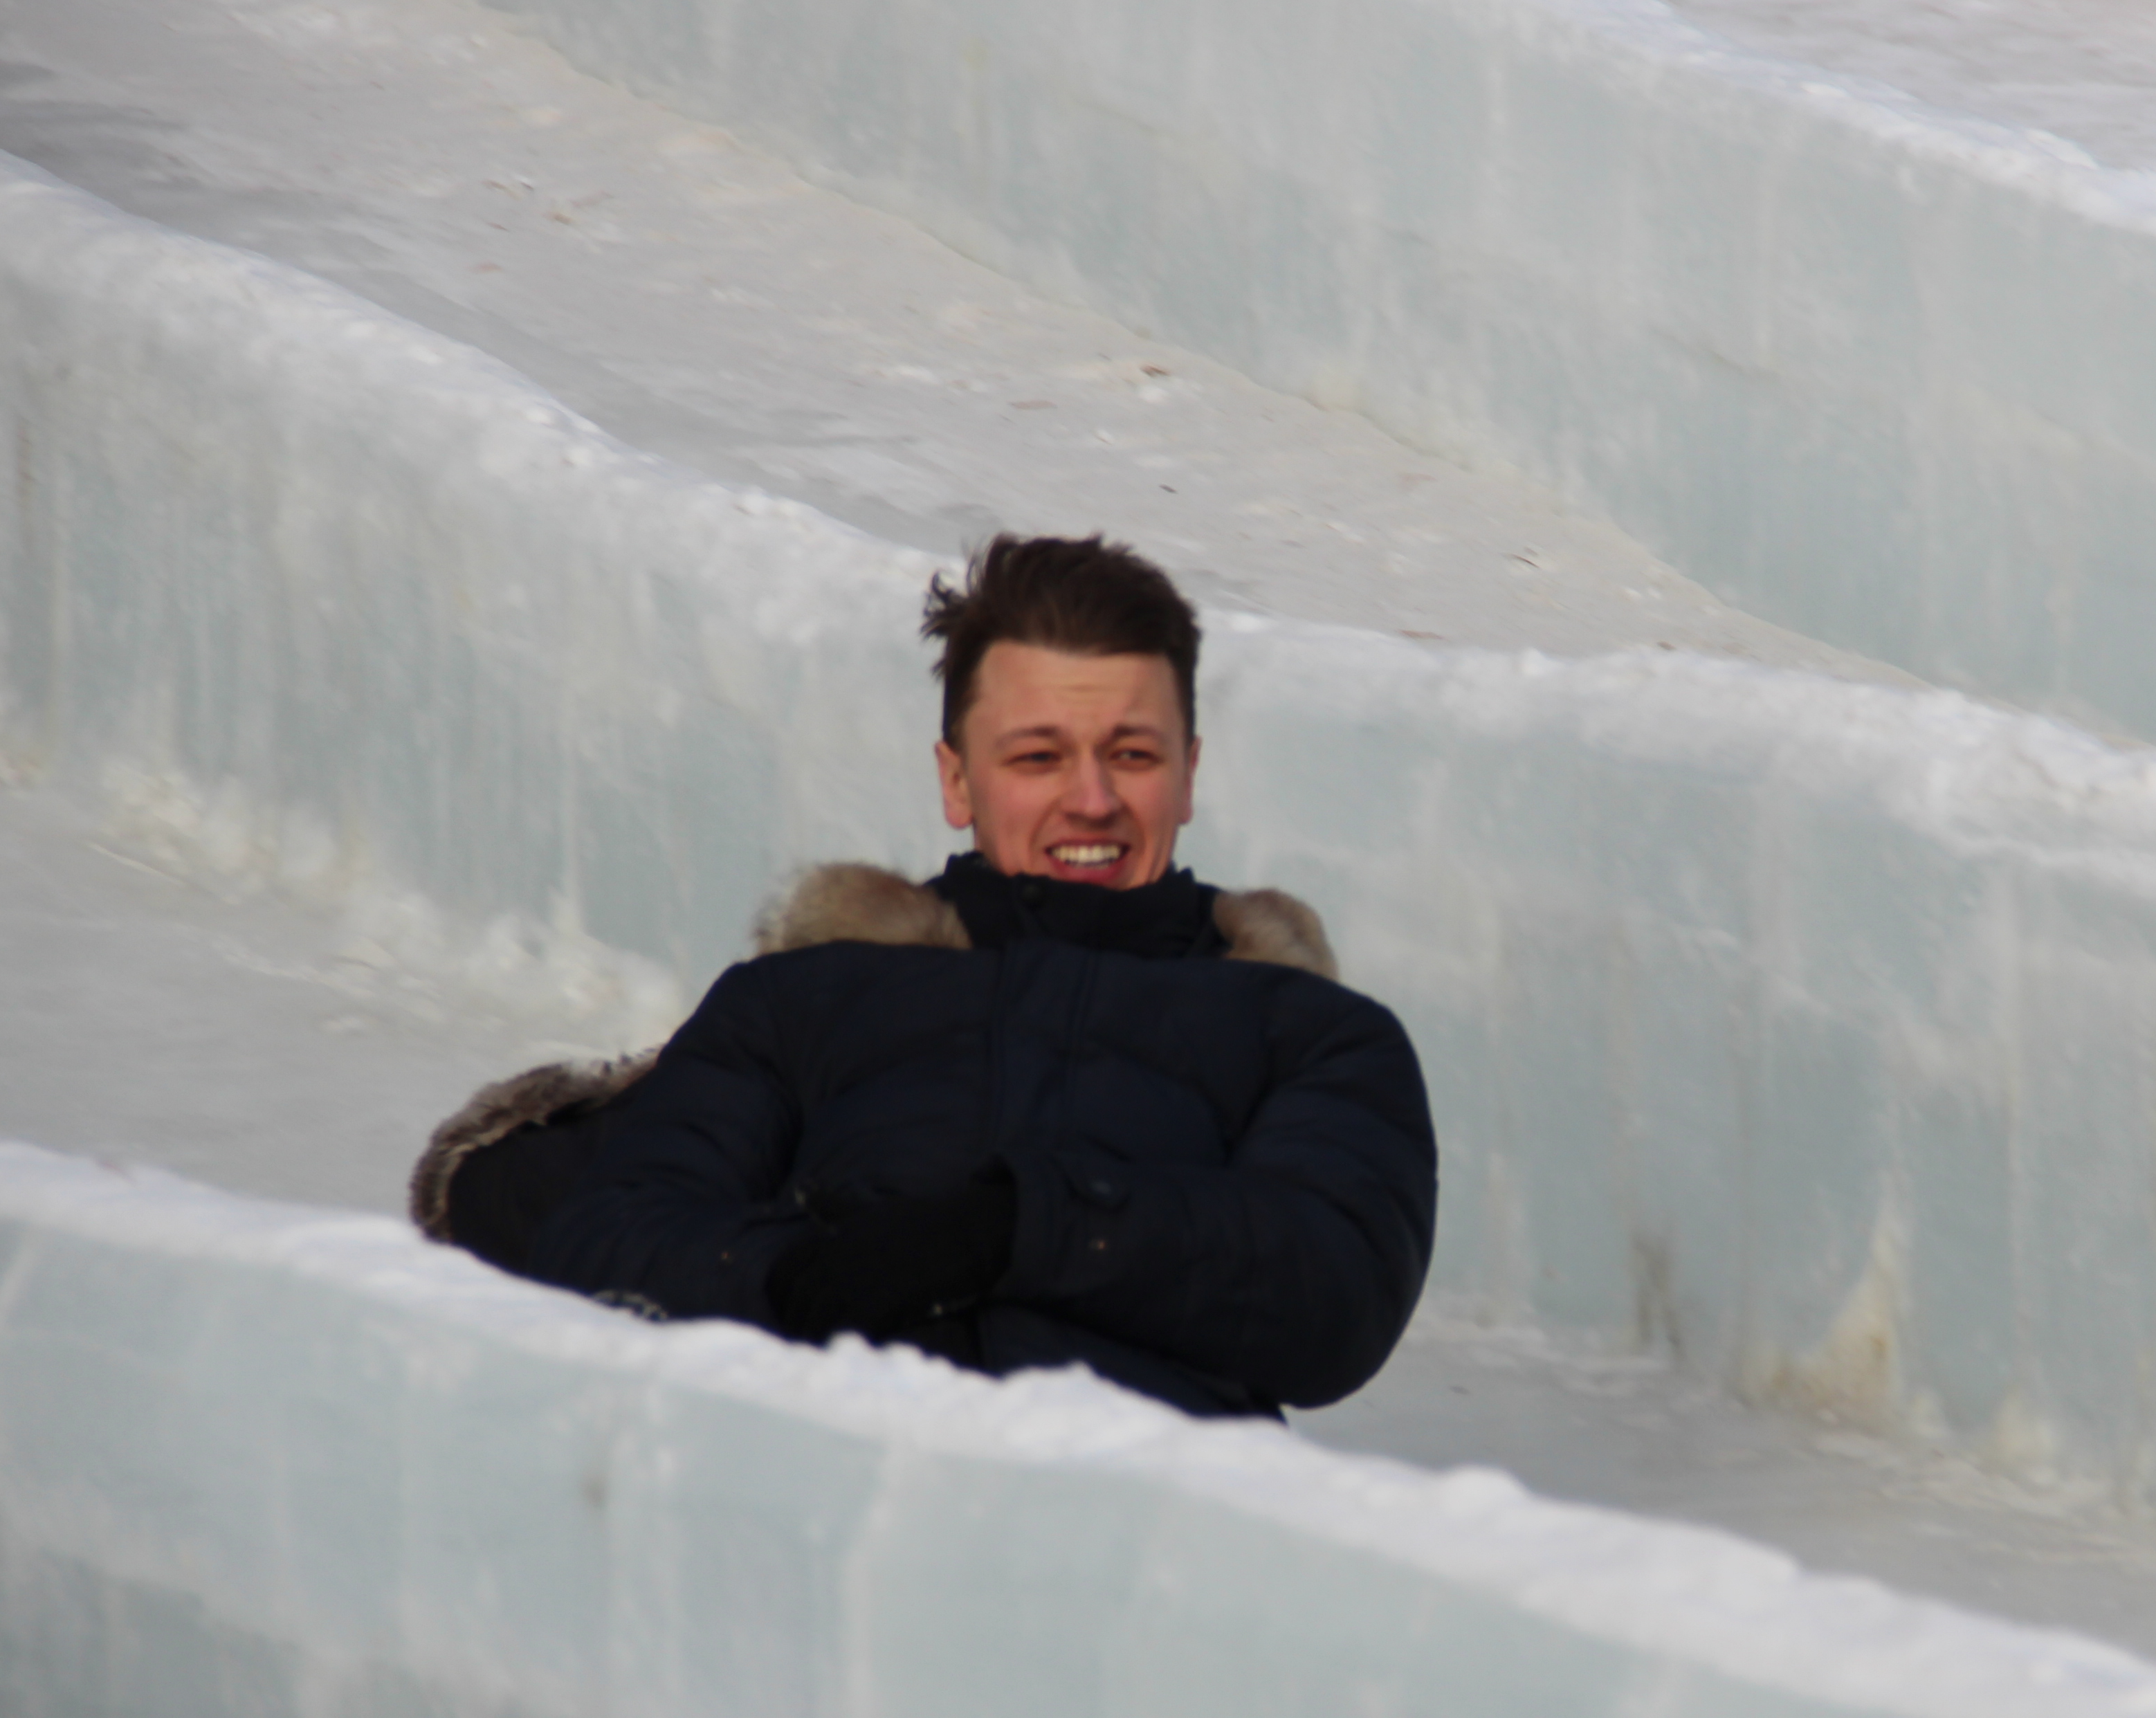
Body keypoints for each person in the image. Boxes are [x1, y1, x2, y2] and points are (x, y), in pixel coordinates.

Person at [409, 533, 1436, 1418]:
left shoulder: (1310, 1032)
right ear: (957, 780)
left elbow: (1332, 1291)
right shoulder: (804, 996)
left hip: (1153, 1528)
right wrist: (805, 1273)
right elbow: (610, 1238)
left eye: (1131, 754)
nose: (1091, 799)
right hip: (827, 1497)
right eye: (1037, 757)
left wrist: (1023, 1228)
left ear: (1189, 774)